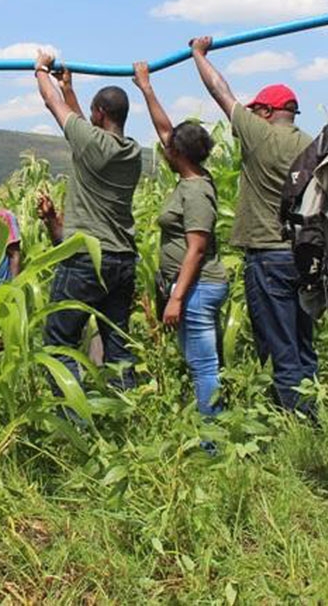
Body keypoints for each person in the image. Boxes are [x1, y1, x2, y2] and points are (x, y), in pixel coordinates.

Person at [190, 36, 317, 415]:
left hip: (267, 258)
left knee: (280, 347)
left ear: (264, 111)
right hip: (305, 257)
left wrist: (198, 53)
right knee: (303, 344)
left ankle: (297, 427)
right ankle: (311, 413)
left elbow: (219, 90)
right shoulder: (312, 145)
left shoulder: (259, 134)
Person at [34, 52, 142, 391]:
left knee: (59, 340)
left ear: (100, 113)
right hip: (123, 260)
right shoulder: (134, 151)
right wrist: (69, 89)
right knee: (118, 346)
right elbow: (81, 126)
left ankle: (73, 421)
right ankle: (125, 412)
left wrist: (40, 69)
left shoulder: (92, 142)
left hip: (87, 261)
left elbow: (53, 105)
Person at [132, 61, 229, 418]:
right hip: (193, 288)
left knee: (204, 366)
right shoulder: (191, 176)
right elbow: (164, 130)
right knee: (198, 363)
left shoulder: (197, 192)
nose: (165, 146)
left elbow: (197, 249)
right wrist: (146, 87)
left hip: (198, 288)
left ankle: (212, 442)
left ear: (179, 154)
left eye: (171, 146)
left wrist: (176, 298)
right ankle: (211, 430)